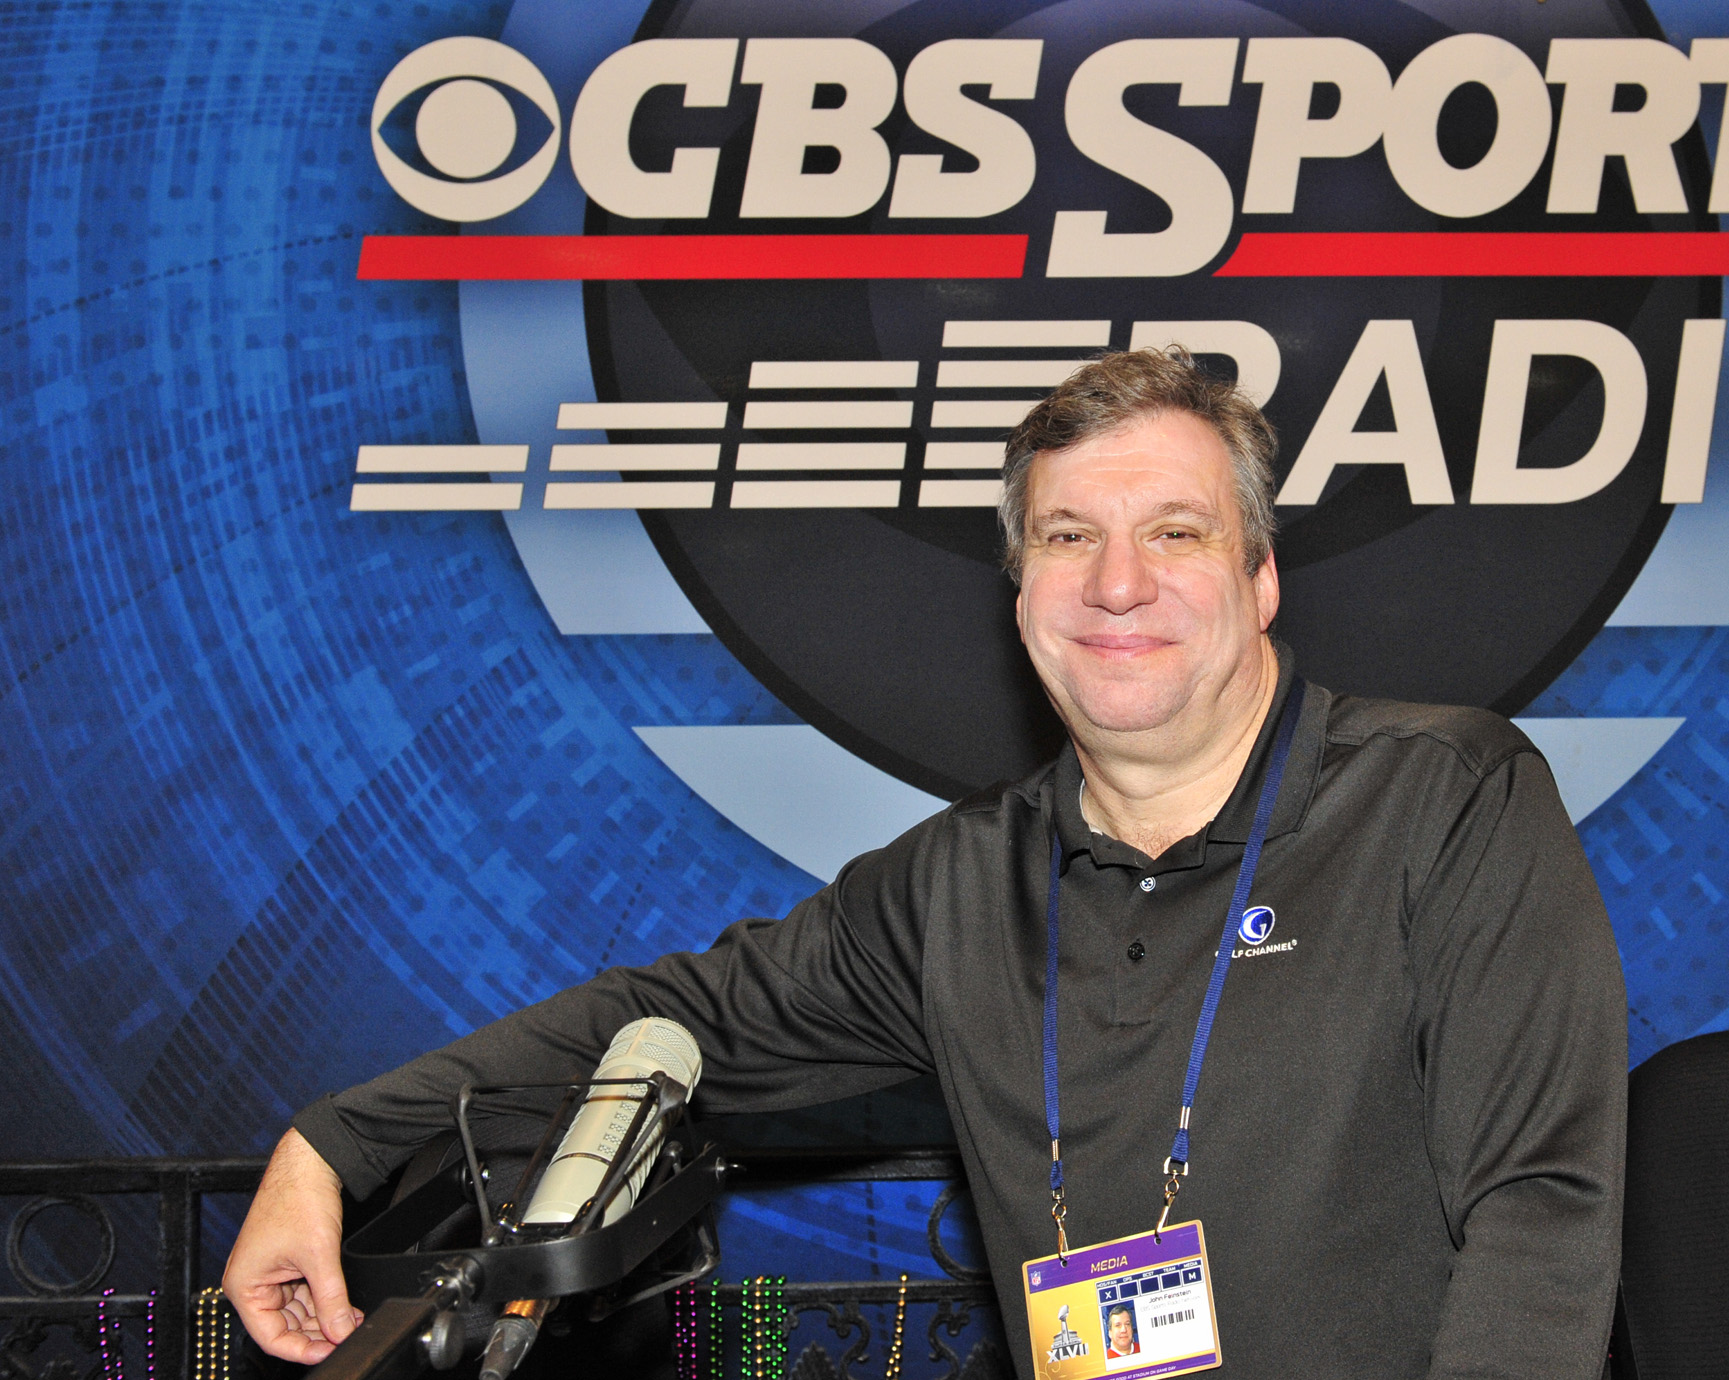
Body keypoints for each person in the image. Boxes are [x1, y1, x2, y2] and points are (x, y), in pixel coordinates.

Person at [223, 348, 1627, 1378]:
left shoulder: (1446, 798)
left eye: (1175, 535)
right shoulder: (958, 887)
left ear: (1259, 582)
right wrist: (337, 1144)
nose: (1117, 584)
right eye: (1068, 537)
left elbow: (1539, 1208)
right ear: (1022, 598)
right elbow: (668, 1026)